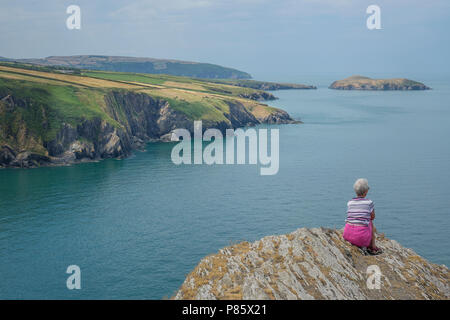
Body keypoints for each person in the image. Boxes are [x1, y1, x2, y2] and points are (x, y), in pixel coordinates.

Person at [343, 178, 383, 255]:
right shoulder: (369, 202)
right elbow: (372, 217)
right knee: (370, 221)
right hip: (362, 239)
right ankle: (373, 246)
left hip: (347, 236)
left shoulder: (350, 203)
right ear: (366, 191)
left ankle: (354, 236)